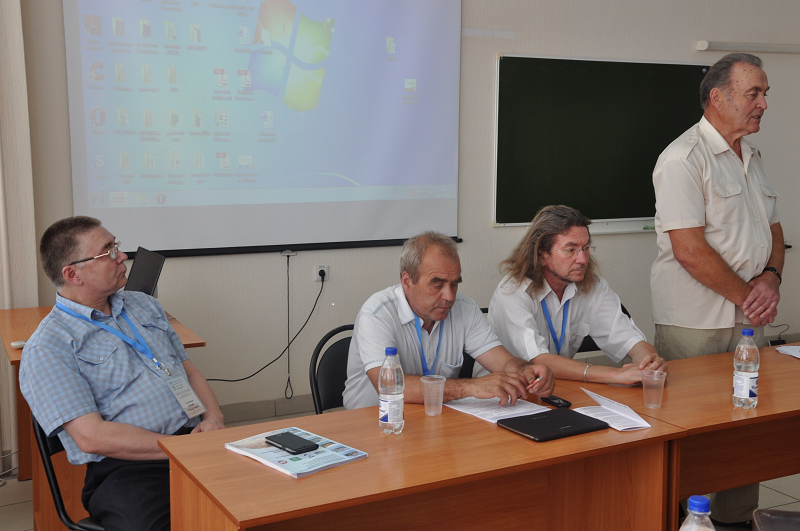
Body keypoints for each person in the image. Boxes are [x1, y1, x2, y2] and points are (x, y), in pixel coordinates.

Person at [20, 217, 225, 531]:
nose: (122, 256)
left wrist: (213, 418)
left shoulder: (144, 306)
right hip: (129, 467)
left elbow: (189, 371)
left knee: (268, 501)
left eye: (115, 246)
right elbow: (91, 437)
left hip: (196, 441)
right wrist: (177, 449)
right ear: (73, 274)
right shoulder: (49, 346)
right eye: (108, 252)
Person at [651, 52, 782, 527]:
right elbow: (688, 249)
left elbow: (774, 230)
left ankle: (736, 520)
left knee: (746, 426)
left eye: (764, 93)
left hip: (748, 320)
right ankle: (686, 521)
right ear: (717, 98)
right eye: (754, 93)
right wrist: (751, 296)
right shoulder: (683, 158)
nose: (763, 103)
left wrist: (771, 278)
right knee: (695, 433)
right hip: (696, 324)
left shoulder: (752, 156)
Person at [343, 231, 554, 410]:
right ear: (407, 281)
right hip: (375, 422)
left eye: (454, 284)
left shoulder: (465, 308)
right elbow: (390, 386)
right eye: (437, 285)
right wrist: (470, 387)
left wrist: (525, 370)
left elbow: (503, 361)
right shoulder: (377, 313)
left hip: (434, 419)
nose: (449, 296)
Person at [477, 205, 666, 384]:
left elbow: (628, 338)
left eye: (586, 248)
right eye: (570, 250)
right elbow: (538, 361)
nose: (582, 259)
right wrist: (616, 374)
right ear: (542, 255)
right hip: (504, 393)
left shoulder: (592, 285)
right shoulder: (513, 291)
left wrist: (648, 361)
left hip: (559, 386)